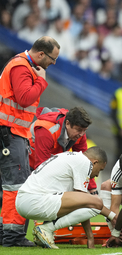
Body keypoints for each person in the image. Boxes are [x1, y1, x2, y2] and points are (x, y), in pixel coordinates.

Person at [0, 36, 60, 247]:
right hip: (10, 133)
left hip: (13, 132)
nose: (53, 64)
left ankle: (4, 234)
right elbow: (25, 98)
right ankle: (13, 237)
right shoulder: (21, 66)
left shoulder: (23, 66)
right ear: (41, 54)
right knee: (16, 186)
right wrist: (41, 81)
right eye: (52, 59)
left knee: (8, 186)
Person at [15, 147, 115, 249]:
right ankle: (46, 229)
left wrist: (90, 238)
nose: (98, 174)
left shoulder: (71, 157)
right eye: (100, 170)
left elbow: (82, 201)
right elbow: (88, 202)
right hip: (35, 200)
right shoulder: (84, 162)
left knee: (89, 202)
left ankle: (43, 233)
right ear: (95, 162)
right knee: (96, 202)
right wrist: (112, 217)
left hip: (23, 200)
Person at [28, 106, 97, 194]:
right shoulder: (47, 131)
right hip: (27, 162)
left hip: (47, 162)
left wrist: (92, 189)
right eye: (79, 130)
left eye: (85, 130)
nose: (82, 134)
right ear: (67, 124)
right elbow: (41, 168)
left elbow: (85, 162)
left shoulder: (79, 133)